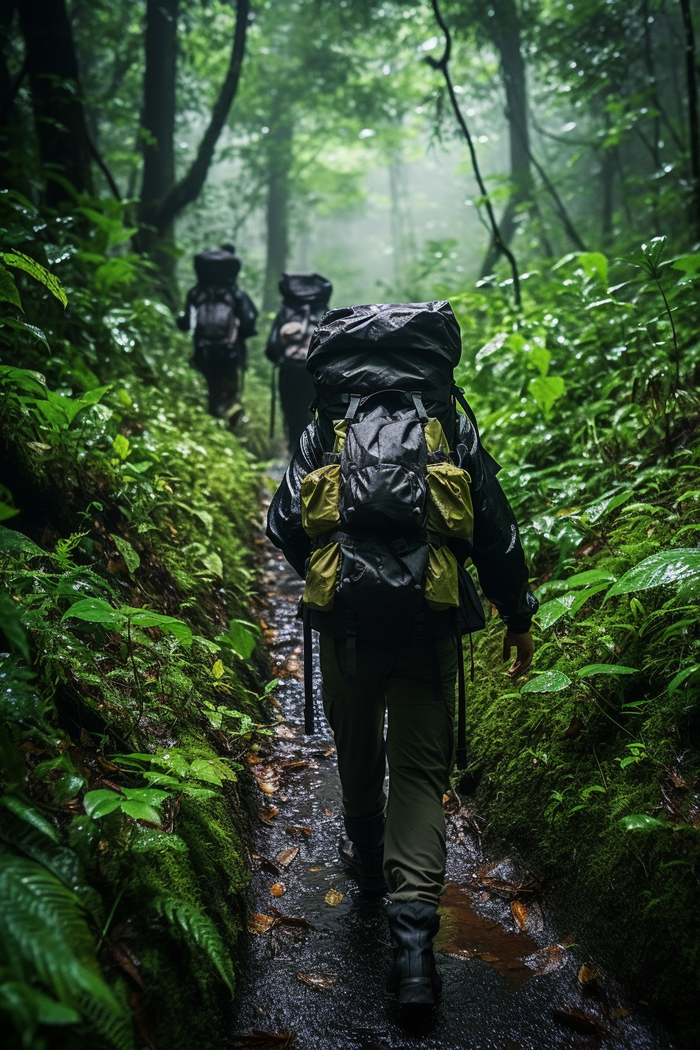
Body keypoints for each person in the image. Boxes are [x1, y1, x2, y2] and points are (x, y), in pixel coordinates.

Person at [266, 300, 537, 1009]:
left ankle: (364, 866)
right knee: (419, 774)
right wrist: (518, 615)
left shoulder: (327, 423)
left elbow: (283, 520)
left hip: (347, 628)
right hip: (429, 622)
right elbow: (494, 527)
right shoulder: (448, 421)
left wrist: (331, 576)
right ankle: (414, 949)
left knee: (357, 757)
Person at [177, 245, 258, 428]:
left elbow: (185, 324)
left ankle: (213, 422)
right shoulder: (235, 294)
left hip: (203, 350)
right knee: (230, 389)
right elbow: (248, 322)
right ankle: (232, 420)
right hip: (231, 350)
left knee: (210, 388)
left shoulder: (197, 293)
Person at [265, 271, 332, 451]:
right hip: (315, 372)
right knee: (314, 412)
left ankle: (295, 451)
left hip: (289, 370)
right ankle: (315, 452)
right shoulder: (325, 312)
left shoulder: (285, 312)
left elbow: (271, 348)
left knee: (291, 413)